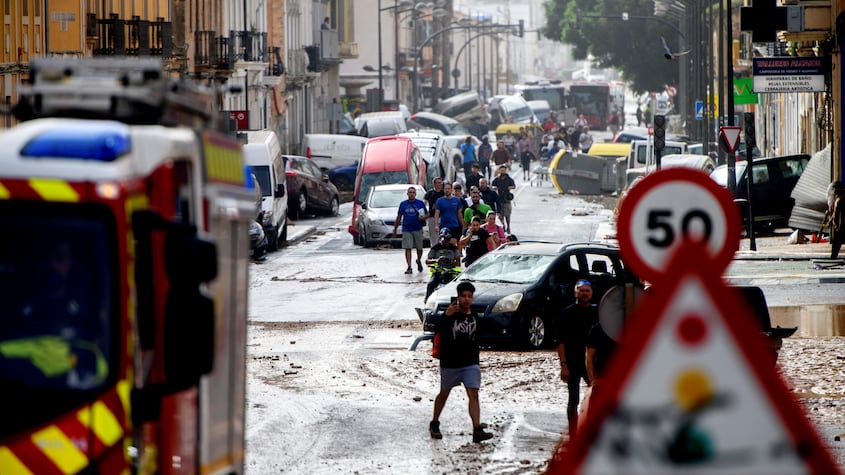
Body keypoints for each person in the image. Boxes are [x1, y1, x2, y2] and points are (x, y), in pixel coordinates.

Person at [430, 281, 494, 443]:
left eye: (469, 296)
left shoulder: (474, 317)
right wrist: (446, 316)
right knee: (444, 393)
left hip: (470, 363)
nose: (466, 299)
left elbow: (481, 336)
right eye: (463, 296)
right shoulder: (449, 315)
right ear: (458, 297)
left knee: (473, 393)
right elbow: (435, 329)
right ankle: (435, 422)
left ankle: (476, 429)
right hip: (450, 362)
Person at [553, 279, 598, 439]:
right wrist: (563, 365)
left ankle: (592, 431)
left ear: (591, 293)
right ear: (575, 292)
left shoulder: (598, 313)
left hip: (592, 363)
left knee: (596, 397)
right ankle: (573, 435)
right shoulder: (567, 313)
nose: (584, 293)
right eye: (581, 290)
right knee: (573, 399)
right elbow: (560, 341)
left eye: (587, 290)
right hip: (572, 362)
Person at [393, 187, 428, 274]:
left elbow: (427, 213)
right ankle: (409, 266)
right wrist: (395, 228)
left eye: (413, 192)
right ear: (407, 194)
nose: (411, 194)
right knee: (408, 247)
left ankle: (419, 260)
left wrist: (423, 217)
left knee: (419, 248)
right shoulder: (403, 204)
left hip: (417, 228)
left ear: (415, 194)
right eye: (410, 192)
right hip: (407, 229)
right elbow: (399, 216)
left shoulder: (420, 203)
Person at [424, 227, 461, 301]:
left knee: (453, 287)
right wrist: (437, 260)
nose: (445, 243)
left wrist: (449, 261)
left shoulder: (454, 248)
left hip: (450, 272)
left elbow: (458, 263)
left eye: (447, 241)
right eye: (444, 241)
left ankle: (454, 302)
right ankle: (428, 300)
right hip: (437, 272)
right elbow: (427, 261)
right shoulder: (435, 248)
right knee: (431, 284)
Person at [491, 165, 515, 234]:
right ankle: (503, 226)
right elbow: (492, 185)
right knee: (500, 215)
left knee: (507, 215)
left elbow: (513, 186)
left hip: (507, 199)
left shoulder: (509, 179)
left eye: (503, 170)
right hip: (499, 199)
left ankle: (508, 227)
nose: (502, 171)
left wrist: (509, 187)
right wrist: (495, 188)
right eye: (501, 170)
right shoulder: (497, 179)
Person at [424, 177, 445, 245]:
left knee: (443, 234)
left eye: (440, 183)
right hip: (432, 216)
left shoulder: (443, 193)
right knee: (433, 235)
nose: (440, 184)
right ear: (434, 184)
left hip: (442, 216)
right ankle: (434, 248)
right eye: (438, 182)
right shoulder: (430, 193)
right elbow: (424, 203)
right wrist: (424, 213)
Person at [830, 181, 844, 259]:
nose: (834, 190)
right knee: (836, 243)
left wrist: (836, 225)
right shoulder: (839, 199)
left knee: (836, 243)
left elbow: (837, 215)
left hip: (840, 227)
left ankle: (833, 257)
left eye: (835, 188)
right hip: (840, 226)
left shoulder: (840, 200)